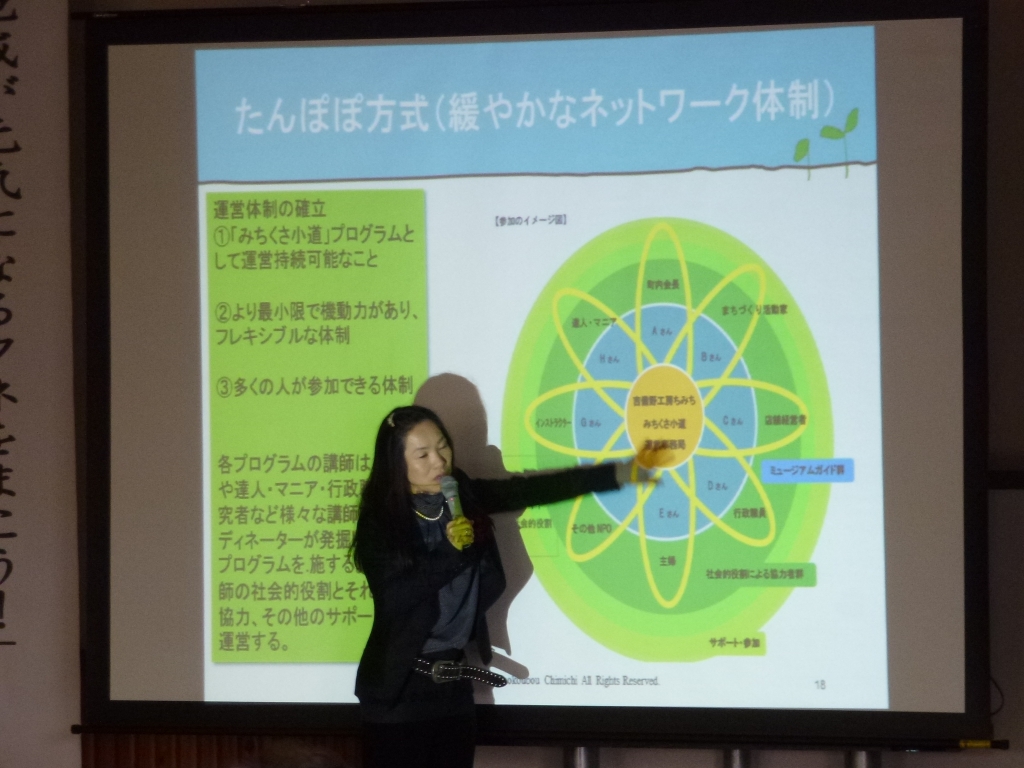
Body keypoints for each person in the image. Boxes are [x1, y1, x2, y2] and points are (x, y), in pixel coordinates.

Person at [352, 404, 656, 768]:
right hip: (399, 689)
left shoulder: (462, 495)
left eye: (443, 446)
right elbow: (395, 597)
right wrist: (449, 552)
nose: (439, 460)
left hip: (453, 690)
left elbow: (531, 489)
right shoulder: (380, 521)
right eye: (423, 454)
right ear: (395, 463)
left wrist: (618, 473)